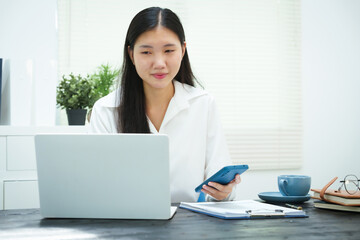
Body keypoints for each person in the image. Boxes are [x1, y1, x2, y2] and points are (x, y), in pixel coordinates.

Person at [89, 7, 241, 203]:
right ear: (131, 54)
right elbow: (97, 187)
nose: (159, 63)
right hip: (128, 223)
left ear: (183, 50)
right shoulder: (106, 110)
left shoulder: (203, 104)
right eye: (146, 52)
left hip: (191, 225)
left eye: (169, 50)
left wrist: (224, 192)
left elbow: (223, 184)